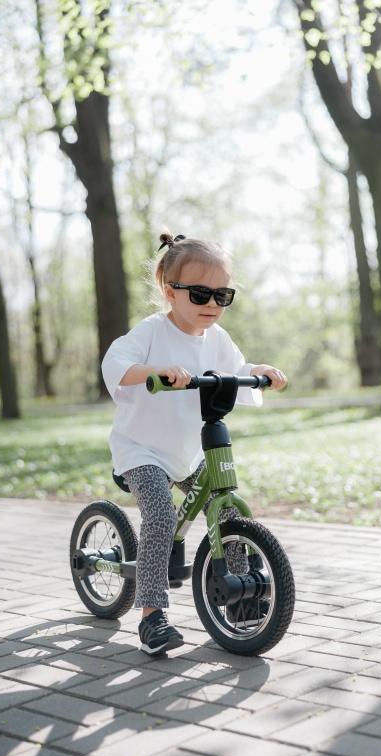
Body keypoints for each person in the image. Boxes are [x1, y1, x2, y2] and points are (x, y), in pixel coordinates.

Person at [102, 232, 287, 655]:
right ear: (171, 291)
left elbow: (236, 368)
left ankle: (242, 601)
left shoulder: (216, 338)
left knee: (227, 508)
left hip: (188, 451)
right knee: (161, 515)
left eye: (223, 295)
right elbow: (116, 362)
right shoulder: (153, 331)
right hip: (141, 449)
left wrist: (260, 372)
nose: (212, 304)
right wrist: (155, 371)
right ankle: (151, 616)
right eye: (201, 294)